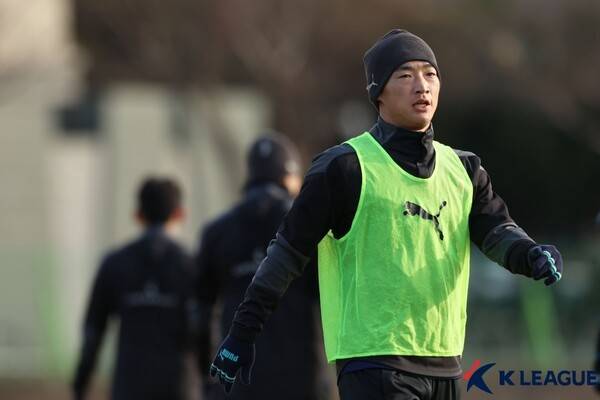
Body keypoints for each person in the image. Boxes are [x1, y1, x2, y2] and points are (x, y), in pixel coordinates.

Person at [209, 29, 564, 400]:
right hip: (374, 363)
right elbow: (285, 256)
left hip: (445, 362)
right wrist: (241, 334)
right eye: (405, 75)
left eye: (430, 74)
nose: (422, 86)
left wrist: (530, 254)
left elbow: (496, 232)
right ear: (378, 92)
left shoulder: (465, 169)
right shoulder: (344, 168)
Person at [196, 134, 323, 400]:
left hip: (236, 381)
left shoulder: (216, 232)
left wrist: (207, 379)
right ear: (289, 176)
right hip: (298, 377)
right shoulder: (308, 226)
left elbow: (199, 315)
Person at [73, 177, 193, 400]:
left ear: (138, 215)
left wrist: (80, 386)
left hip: (129, 387)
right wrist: (212, 382)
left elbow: (93, 332)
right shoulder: (190, 265)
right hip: (178, 387)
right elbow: (204, 329)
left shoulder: (115, 263)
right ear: (180, 214)